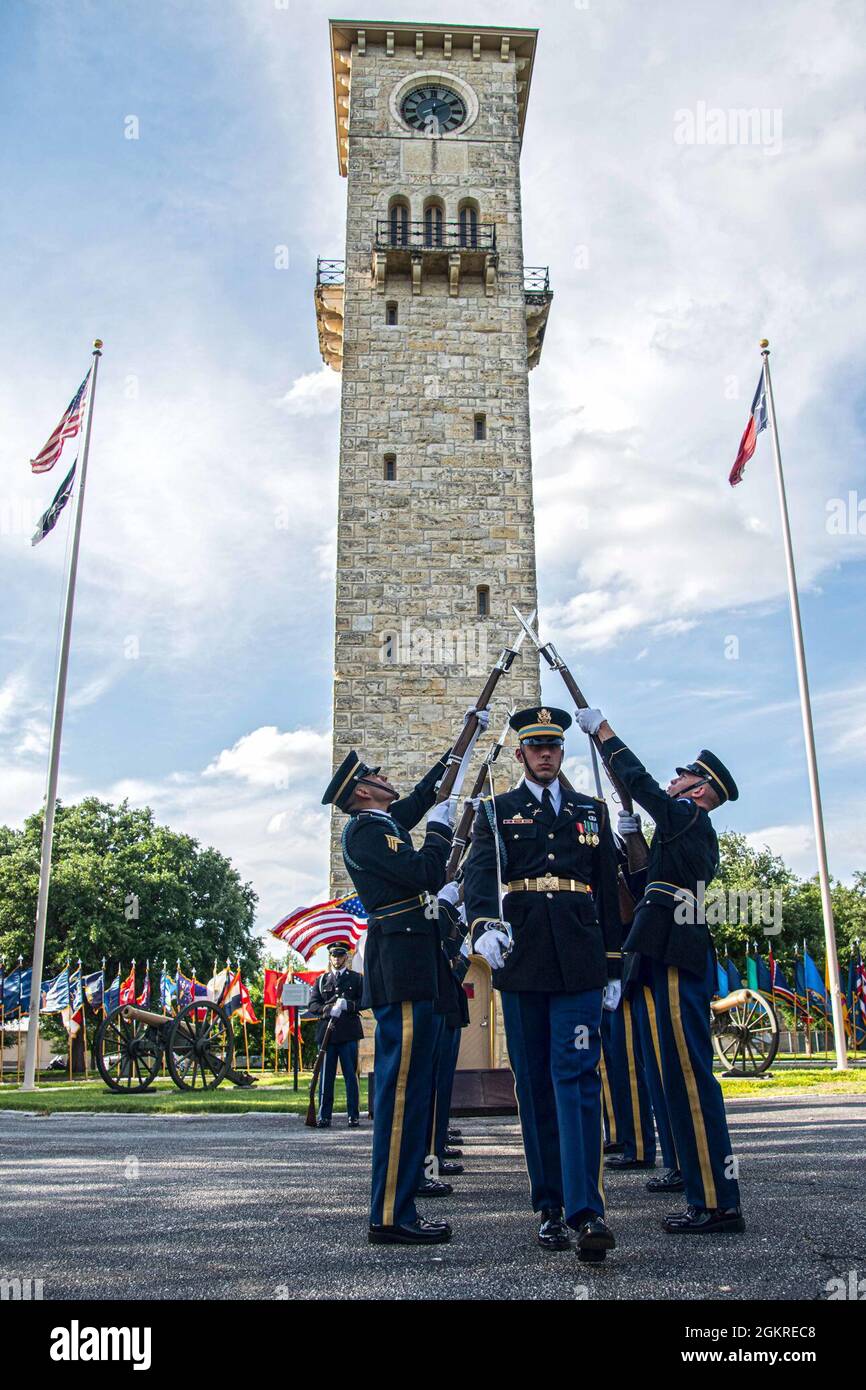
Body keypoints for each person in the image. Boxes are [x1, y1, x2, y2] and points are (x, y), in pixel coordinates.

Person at [463, 706, 623, 1262]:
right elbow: (479, 871)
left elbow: (607, 889)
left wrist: (613, 965)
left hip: (580, 959)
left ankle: (588, 1211)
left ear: (562, 751)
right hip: (526, 957)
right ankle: (550, 1206)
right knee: (533, 1084)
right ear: (521, 755)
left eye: (553, 745)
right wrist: (483, 925)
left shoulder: (591, 811)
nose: (546, 753)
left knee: (577, 1077)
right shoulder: (496, 811)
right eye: (536, 747)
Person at [576, 708, 744, 1235]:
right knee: (672, 1076)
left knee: (689, 1077)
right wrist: (632, 841)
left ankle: (717, 1202)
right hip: (659, 944)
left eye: (683, 776)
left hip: (673, 947)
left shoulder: (691, 818)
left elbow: (642, 783)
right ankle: (702, 1194)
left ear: (698, 791)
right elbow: (650, 881)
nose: (673, 781)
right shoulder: (684, 831)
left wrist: (604, 735)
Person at [322, 712, 487, 1247]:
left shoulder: (384, 824)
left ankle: (405, 1192)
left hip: (417, 958)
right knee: (401, 1091)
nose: (386, 776)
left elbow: (419, 798)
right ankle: (390, 1213)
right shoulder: (366, 831)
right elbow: (423, 872)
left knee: (415, 1088)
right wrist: (440, 831)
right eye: (376, 773)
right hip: (404, 962)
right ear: (363, 790)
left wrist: (459, 749)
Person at [306, 942, 364, 1128]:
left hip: (348, 1033)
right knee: (326, 1077)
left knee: (350, 1076)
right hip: (327, 1035)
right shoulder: (321, 980)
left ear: (346, 958)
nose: (337, 959)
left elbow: (365, 1000)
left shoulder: (356, 979)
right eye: (334, 956)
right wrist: (328, 1009)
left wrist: (350, 1005)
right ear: (330, 958)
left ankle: (353, 1115)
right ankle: (324, 1115)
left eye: (340, 956)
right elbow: (313, 1005)